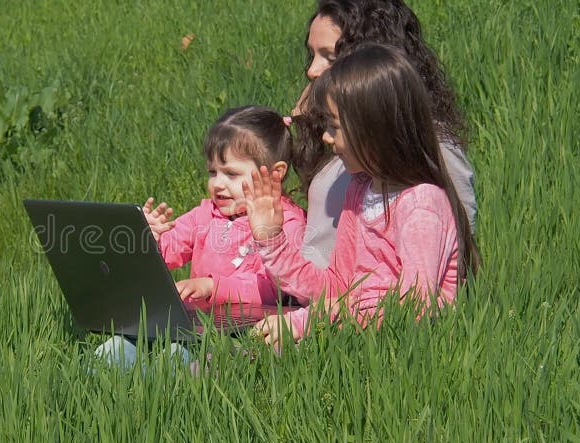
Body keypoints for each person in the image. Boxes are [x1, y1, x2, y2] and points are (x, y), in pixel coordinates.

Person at [245, 44, 480, 349]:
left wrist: (311, 320)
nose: (327, 138)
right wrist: (272, 240)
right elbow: (337, 289)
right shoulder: (360, 191)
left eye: (335, 127)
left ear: (375, 129)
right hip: (352, 339)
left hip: (399, 356)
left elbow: (414, 310)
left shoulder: (422, 204)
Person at [95, 105, 307, 368]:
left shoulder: (285, 221)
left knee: (175, 358)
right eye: (212, 172)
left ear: (275, 174)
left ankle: (157, 402)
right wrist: (148, 240)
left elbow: (273, 288)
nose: (218, 184)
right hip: (192, 322)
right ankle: (89, 392)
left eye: (231, 174)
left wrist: (212, 287)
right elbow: (169, 253)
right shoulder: (205, 214)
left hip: (244, 331)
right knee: (116, 347)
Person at [290, 0, 477, 269]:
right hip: (318, 297)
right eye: (312, 55)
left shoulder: (427, 142)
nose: (312, 70)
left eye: (329, 57)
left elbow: (453, 246)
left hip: (365, 305)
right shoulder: (340, 134)